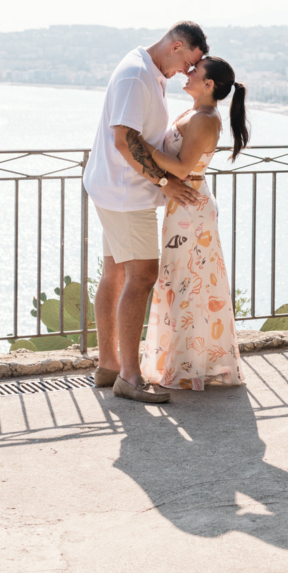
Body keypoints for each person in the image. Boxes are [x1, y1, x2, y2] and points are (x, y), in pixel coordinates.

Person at [84, 21, 207, 404]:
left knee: (116, 272)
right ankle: (130, 376)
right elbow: (124, 140)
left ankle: (109, 364)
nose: (188, 71)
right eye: (190, 61)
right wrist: (164, 182)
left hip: (115, 188)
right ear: (176, 46)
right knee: (143, 275)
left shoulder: (150, 73)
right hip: (126, 193)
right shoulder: (137, 76)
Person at [139, 56, 247, 390]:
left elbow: (183, 169)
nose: (187, 74)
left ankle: (188, 365)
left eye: (194, 71)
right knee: (184, 283)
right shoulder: (196, 113)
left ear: (209, 84)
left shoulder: (204, 118)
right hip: (185, 205)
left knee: (188, 284)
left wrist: (138, 145)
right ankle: (186, 361)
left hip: (190, 208)